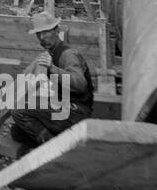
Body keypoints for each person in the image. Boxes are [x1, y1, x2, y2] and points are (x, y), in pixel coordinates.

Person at [8, 10, 94, 158]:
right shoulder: (51, 53)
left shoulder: (67, 55)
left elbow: (80, 84)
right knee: (17, 131)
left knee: (19, 111)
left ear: (56, 31)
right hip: (62, 105)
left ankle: (54, 150)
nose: (42, 38)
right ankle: (60, 140)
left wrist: (53, 69)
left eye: (46, 32)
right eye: (38, 34)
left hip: (76, 111)